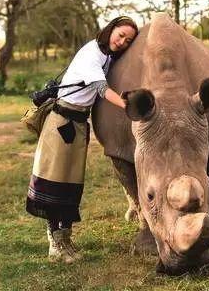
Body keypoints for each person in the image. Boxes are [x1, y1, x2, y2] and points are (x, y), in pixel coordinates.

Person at [26, 16, 138, 263]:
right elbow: (100, 88)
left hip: (77, 124)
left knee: (71, 185)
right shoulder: (91, 54)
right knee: (56, 183)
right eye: (120, 35)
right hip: (61, 123)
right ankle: (55, 245)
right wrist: (127, 105)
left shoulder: (107, 55)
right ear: (110, 30)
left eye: (128, 41)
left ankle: (65, 240)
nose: (122, 42)